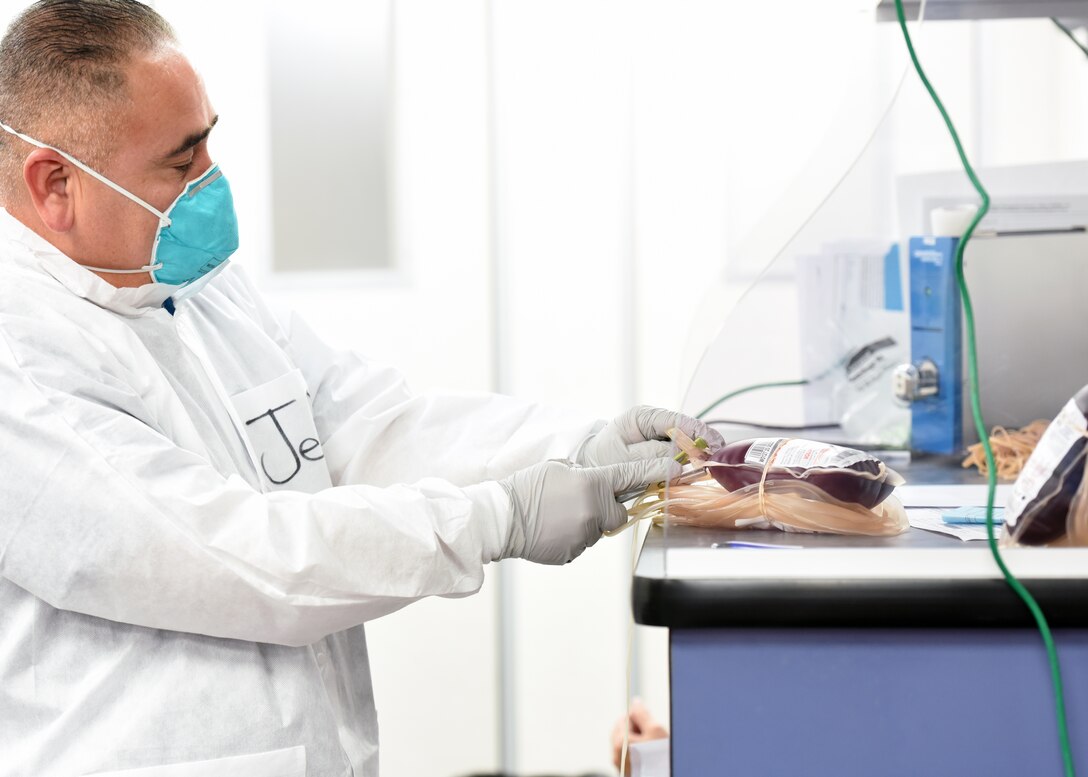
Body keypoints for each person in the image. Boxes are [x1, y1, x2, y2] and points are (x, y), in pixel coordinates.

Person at [0, 2, 721, 775]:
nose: (211, 182)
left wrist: (579, 445)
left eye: (210, 143)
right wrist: (498, 518)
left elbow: (366, 429)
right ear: (56, 186)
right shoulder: (22, 360)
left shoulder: (193, 291)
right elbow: (238, 554)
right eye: (181, 165)